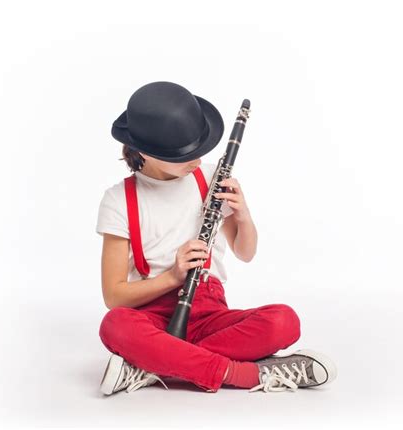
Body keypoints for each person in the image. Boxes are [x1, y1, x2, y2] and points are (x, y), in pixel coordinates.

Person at [96, 81, 337, 395]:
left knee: (284, 321)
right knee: (115, 325)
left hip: (209, 311)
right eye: (185, 154)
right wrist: (173, 276)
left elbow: (245, 252)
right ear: (145, 152)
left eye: (200, 149)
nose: (197, 159)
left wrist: (243, 214)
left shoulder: (209, 178)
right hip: (152, 314)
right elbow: (114, 297)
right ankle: (246, 375)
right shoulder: (118, 200)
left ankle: (157, 364)